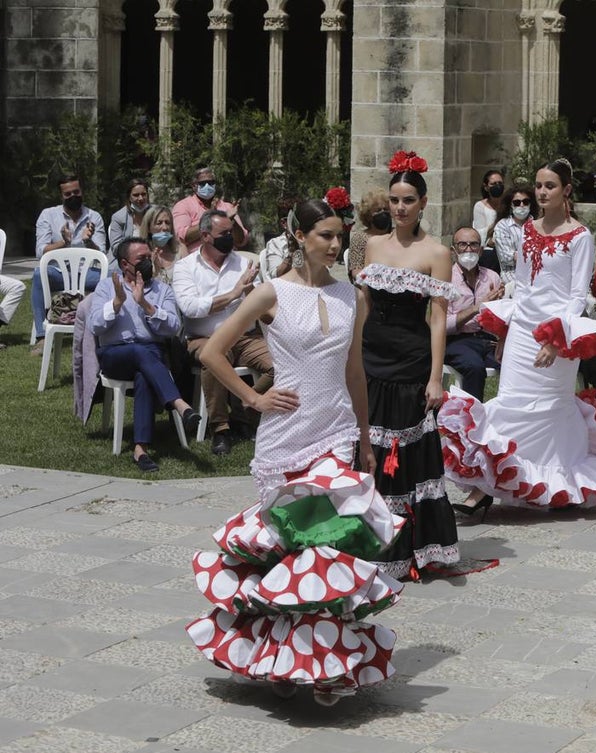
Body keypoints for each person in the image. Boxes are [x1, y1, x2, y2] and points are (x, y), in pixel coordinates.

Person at [186, 199, 406, 707]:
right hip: (285, 435)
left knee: (332, 547)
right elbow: (213, 351)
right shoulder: (271, 292)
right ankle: (284, 656)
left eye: (339, 235)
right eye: (325, 235)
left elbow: (355, 372)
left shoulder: (353, 294)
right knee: (288, 550)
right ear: (300, 236)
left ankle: (328, 666)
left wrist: (365, 439)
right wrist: (252, 398)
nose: (334, 244)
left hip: (337, 432)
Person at [439, 158, 596, 512]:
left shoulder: (581, 237)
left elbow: (576, 296)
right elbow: (521, 286)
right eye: (538, 185)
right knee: (509, 404)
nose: (541, 192)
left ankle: (558, 483)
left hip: (558, 334)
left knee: (552, 410)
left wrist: (556, 340)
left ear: (566, 190)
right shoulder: (527, 231)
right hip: (522, 331)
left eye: (549, 186)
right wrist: (505, 333)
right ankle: (487, 485)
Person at [356, 150, 460, 579]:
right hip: (371, 356)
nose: (400, 208)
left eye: (408, 201)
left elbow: (438, 318)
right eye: (394, 201)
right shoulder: (372, 245)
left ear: (423, 204)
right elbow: (364, 304)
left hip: (412, 360)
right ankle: (365, 541)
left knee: (402, 452)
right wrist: (352, 355)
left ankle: (406, 546)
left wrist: (435, 377)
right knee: (367, 447)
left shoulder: (437, 252)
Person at [89, 238, 200, 471]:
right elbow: (95, 326)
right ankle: (180, 404)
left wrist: (146, 305)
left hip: (151, 353)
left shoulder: (162, 290)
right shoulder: (107, 287)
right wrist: (117, 303)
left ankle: (140, 449)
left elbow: (173, 327)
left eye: (149, 257)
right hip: (114, 355)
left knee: (144, 375)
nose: (148, 262)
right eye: (141, 259)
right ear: (125, 264)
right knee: (140, 352)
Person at [172, 209, 274, 456]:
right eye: (224, 233)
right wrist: (233, 294)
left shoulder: (242, 263)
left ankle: (245, 408)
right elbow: (190, 307)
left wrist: (249, 292)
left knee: (280, 362)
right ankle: (220, 428)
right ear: (205, 236)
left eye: (231, 232)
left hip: (244, 337)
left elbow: (259, 304)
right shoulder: (185, 267)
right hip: (204, 338)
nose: (230, 237)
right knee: (214, 357)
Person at [31, 174, 108, 356]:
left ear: (82, 191)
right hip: (58, 272)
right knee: (38, 275)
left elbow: (101, 254)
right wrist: (63, 242)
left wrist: (88, 241)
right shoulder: (48, 215)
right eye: (68, 194)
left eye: (76, 192)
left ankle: (104, 332)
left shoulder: (94, 217)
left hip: (86, 274)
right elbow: (40, 251)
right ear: (61, 195)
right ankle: (42, 336)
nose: (73, 196)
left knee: (112, 278)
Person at [445, 226, 504, 399]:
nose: (468, 249)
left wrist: (498, 308)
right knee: (474, 366)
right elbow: (442, 326)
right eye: (462, 244)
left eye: (474, 244)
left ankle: (508, 411)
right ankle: (471, 412)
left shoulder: (492, 277)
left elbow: (503, 318)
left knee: (515, 361)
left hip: (488, 340)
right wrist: (477, 308)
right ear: (453, 250)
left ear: (481, 250)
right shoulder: (446, 279)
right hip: (457, 340)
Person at [171, 167, 248, 250]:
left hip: (228, 255)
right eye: (203, 183)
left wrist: (232, 221)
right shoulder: (183, 206)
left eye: (211, 183)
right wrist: (212, 219)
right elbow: (182, 238)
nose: (207, 186)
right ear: (194, 186)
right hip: (197, 256)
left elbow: (241, 241)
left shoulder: (227, 207)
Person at [491, 182, 537, 289]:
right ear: (511, 205)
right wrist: (531, 256)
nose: (522, 205)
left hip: (536, 274)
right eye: (517, 202)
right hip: (511, 276)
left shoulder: (538, 224)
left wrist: (520, 255)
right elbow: (506, 257)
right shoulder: (503, 226)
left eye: (525, 202)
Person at [347, 188, 390, 281]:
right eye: (378, 210)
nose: (383, 213)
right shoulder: (360, 238)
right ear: (368, 215)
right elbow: (356, 271)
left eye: (386, 209)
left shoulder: (395, 235)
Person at [140, 205, 183, 283]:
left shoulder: (180, 249)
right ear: (149, 228)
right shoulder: (141, 254)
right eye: (159, 223)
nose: (165, 227)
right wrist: (154, 271)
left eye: (167, 223)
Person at [107, 178, 151, 254]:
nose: (141, 198)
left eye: (143, 194)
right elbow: (116, 248)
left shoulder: (155, 214)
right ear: (129, 197)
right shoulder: (118, 218)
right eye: (136, 195)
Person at [471, 169, 504, 261]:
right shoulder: (480, 206)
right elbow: (479, 234)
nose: (497, 186)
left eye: (500, 183)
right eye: (493, 184)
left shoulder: (508, 205)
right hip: (488, 250)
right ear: (486, 187)